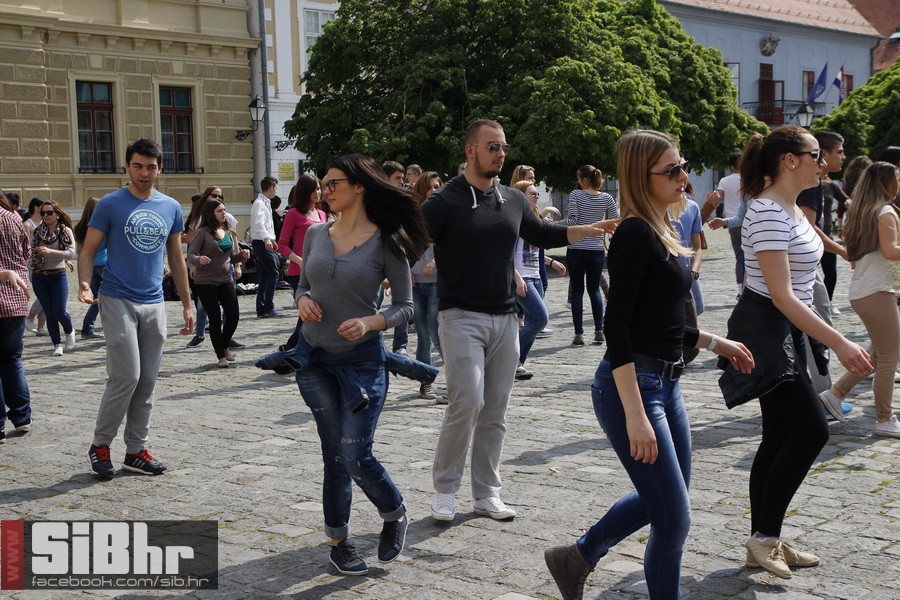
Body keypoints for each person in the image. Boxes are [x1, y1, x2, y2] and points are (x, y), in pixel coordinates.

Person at [543, 129, 754, 600]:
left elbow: (655, 321)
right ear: (644, 176)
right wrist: (636, 413)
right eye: (673, 170)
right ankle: (582, 558)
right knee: (674, 518)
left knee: (665, 500)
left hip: (667, 381)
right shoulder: (636, 232)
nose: (685, 177)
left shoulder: (665, 226)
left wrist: (715, 341)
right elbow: (618, 328)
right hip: (633, 388)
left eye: (683, 166)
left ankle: (576, 556)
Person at [422, 119, 618, 523]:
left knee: (495, 409)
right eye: (492, 146)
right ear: (470, 151)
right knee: (467, 402)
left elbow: (545, 233)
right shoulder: (445, 201)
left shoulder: (511, 198)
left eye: (503, 147)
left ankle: (487, 493)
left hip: (505, 317)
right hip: (459, 316)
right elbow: (409, 239)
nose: (500, 153)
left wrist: (593, 229)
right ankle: (445, 490)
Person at [718, 128, 873, 579]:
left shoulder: (791, 208)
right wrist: (840, 342)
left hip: (786, 330)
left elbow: (806, 267)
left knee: (778, 435)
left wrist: (846, 251)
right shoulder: (766, 210)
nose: (822, 161)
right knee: (810, 432)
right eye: (814, 155)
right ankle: (765, 538)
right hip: (767, 329)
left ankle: (763, 541)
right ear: (789, 160)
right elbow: (782, 296)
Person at [294, 154, 429, 576]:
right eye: (324, 185)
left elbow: (405, 307)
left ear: (359, 188)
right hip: (314, 361)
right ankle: (340, 542)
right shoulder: (316, 233)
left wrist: (372, 321)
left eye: (333, 184)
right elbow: (301, 284)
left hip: (363, 365)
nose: (325, 191)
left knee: (356, 454)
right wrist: (302, 301)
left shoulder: (387, 241)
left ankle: (393, 512)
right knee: (333, 458)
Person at [78, 137, 194, 478]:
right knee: (126, 376)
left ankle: (135, 450)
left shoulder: (170, 206)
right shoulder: (111, 204)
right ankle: (101, 445)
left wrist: (188, 304)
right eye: (138, 166)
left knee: (147, 381)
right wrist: (85, 283)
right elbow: (87, 250)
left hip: (154, 301)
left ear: (160, 168)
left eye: (151, 167)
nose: (145, 173)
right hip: (117, 299)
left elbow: (176, 256)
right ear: (127, 166)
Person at [818, 162, 900, 437]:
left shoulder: (864, 211)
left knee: (879, 354)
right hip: (876, 292)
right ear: (887, 183)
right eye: (897, 178)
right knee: (890, 358)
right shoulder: (885, 211)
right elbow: (890, 252)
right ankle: (884, 419)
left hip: (868, 290)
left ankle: (835, 394)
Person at [511, 180, 565, 380]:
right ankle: (503, 355)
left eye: (536, 193)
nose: (536, 196)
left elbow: (536, 249)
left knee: (534, 322)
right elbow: (508, 254)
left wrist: (552, 263)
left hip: (535, 275)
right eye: (532, 193)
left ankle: (517, 363)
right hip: (522, 276)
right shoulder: (515, 220)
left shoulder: (533, 220)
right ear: (521, 196)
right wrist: (516, 278)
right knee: (541, 319)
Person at [187, 199, 250, 368]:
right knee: (214, 318)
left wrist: (241, 256)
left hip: (225, 279)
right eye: (219, 211)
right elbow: (191, 255)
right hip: (205, 281)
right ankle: (220, 355)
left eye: (224, 210)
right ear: (211, 214)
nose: (223, 213)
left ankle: (225, 344)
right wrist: (199, 259)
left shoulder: (228, 231)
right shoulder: (202, 232)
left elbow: (229, 257)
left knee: (233, 315)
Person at [566, 165, 619, 346]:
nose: (578, 182)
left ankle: (579, 334)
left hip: (576, 247)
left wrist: (555, 224)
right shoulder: (607, 198)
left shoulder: (576, 195)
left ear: (585, 180)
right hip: (596, 249)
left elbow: (572, 220)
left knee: (578, 292)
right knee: (594, 290)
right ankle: (599, 330)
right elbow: (615, 220)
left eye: (579, 178)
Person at [0, 189, 33, 444]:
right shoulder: (13, 218)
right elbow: (26, 253)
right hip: (16, 297)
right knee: (12, 359)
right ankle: (22, 417)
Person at [410, 172, 443, 400]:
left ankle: (457, 380)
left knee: (436, 332)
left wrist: (436, 260)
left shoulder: (445, 212)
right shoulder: (412, 216)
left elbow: (454, 245)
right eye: (431, 186)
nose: (435, 189)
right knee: (423, 336)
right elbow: (401, 246)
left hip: (437, 282)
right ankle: (425, 382)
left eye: (438, 186)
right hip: (415, 282)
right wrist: (404, 271)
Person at [30, 200, 78, 356]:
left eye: (49, 212)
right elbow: (30, 250)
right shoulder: (37, 231)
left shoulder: (65, 231)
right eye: (43, 213)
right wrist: (34, 252)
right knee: (49, 313)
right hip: (39, 276)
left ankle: (70, 331)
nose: (46, 215)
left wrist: (51, 252)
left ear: (57, 214)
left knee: (59, 311)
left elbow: (72, 253)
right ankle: (57, 344)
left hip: (58, 275)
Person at [279, 174, 326, 292]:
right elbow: (282, 245)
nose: (317, 192)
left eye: (318, 188)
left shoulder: (322, 214)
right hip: (300, 272)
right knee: (309, 309)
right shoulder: (293, 213)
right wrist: (299, 261)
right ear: (304, 192)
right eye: (312, 190)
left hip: (320, 270)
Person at [73, 197, 105, 339]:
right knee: (107, 299)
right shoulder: (103, 225)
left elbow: (80, 252)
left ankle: (87, 327)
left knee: (96, 300)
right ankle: (90, 328)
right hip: (104, 264)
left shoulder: (79, 227)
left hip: (90, 267)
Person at [250, 176, 281, 318]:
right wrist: (267, 239)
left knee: (265, 275)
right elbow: (259, 223)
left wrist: (271, 239)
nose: (276, 190)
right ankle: (268, 306)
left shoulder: (265, 202)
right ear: (271, 187)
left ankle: (261, 308)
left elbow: (267, 224)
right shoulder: (259, 203)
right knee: (273, 273)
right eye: (275, 187)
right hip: (261, 242)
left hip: (264, 241)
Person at [22, 196, 47, 336]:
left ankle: (41, 327)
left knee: (46, 292)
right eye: (44, 207)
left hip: (48, 262)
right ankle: (30, 317)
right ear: (37, 208)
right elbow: (24, 246)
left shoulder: (46, 222)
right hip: (33, 263)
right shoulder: (27, 224)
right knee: (44, 293)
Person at [837, 155, 872, 233]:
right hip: (869, 223)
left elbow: (840, 209)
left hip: (851, 224)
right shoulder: (871, 188)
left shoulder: (846, 188)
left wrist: (840, 228)